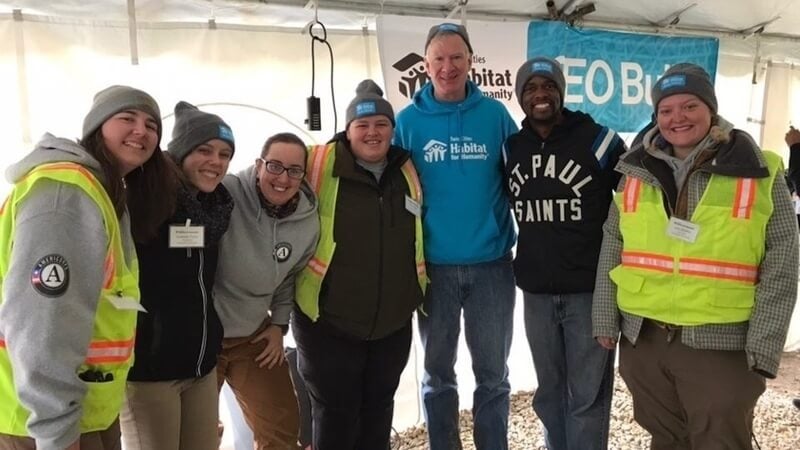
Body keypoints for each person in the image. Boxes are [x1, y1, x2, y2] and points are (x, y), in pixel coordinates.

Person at [592, 63, 799, 450]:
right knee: (665, 438)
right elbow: (612, 243)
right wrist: (605, 317)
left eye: (689, 106)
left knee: (720, 441)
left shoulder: (758, 168)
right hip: (646, 339)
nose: (677, 118)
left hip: (721, 342)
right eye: (666, 110)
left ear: (711, 109)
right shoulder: (635, 169)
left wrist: (766, 343)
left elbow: (783, 260)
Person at [0, 85, 163, 449]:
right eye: (127, 118)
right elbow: (43, 321)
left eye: (152, 124)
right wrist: (56, 432)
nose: (142, 130)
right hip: (37, 424)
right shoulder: (65, 193)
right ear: (96, 128)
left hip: (81, 414)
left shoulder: (103, 190)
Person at [393, 23, 518, 450]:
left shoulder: (496, 116)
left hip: (492, 266)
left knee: (493, 374)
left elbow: (521, 178)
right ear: (425, 66)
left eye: (457, 58)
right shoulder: (407, 123)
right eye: (439, 59)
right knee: (437, 374)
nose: (448, 67)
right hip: (434, 268)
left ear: (470, 61)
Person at [293, 79, 426, 449]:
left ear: (392, 130)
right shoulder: (317, 163)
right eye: (362, 125)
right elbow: (268, 183)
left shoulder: (406, 169)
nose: (372, 133)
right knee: (336, 416)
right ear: (347, 130)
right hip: (329, 324)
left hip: (392, 324)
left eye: (381, 124)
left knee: (379, 412)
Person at [504, 57, 626, 450]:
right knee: (549, 392)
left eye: (548, 86)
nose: (540, 94)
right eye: (531, 88)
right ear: (520, 96)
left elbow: (635, 195)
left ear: (561, 91)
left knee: (587, 397)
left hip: (589, 291)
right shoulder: (511, 149)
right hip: (536, 293)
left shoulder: (599, 140)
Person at [120, 101, 235, 450]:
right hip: (150, 370)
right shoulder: (141, 195)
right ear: (181, 151)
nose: (216, 162)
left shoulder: (216, 207)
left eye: (224, 153)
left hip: (200, 364)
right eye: (204, 150)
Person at [214, 132, 319, 450]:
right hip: (204, 333)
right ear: (258, 165)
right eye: (274, 166)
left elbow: (288, 277)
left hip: (254, 335)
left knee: (282, 427)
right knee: (196, 431)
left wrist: (278, 325)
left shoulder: (307, 222)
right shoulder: (226, 192)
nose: (283, 178)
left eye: (294, 170)